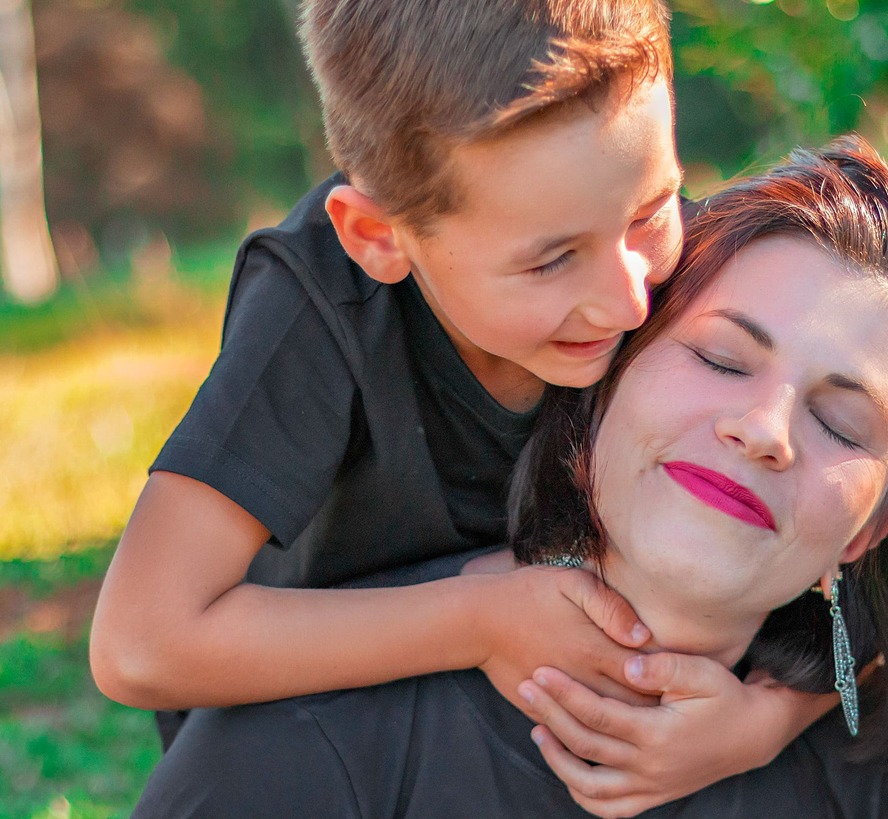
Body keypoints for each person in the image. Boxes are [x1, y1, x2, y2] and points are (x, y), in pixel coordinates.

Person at [132, 138, 888, 818]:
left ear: (869, 532)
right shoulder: (293, 762)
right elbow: (146, 638)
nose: (763, 430)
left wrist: (765, 719)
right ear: (593, 397)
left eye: (838, 422)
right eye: (719, 359)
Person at [89, 2, 830, 812]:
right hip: (335, 762)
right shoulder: (319, 312)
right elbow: (139, 641)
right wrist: (481, 620)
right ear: (377, 236)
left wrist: (764, 720)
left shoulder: (678, 270)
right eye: (551, 262)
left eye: (652, 212)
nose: (627, 301)